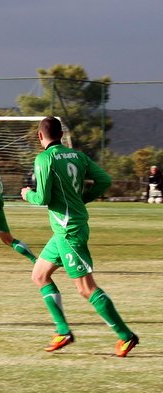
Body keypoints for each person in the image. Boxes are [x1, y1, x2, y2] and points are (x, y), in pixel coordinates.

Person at [21, 116, 139, 357]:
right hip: (63, 231)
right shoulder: (77, 155)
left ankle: (126, 336)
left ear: (39, 136)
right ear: (61, 135)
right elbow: (105, 180)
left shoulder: (45, 158)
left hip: (69, 230)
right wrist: (81, 199)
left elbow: (42, 198)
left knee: (86, 288)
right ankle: (63, 331)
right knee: (39, 274)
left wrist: (27, 194)